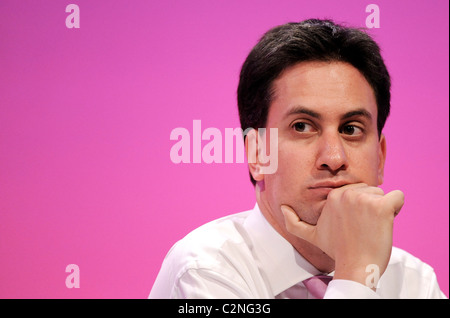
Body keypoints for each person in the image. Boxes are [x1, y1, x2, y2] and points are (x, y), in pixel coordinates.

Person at [149, 19, 446, 299]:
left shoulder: (413, 283)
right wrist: (357, 275)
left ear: (379, 158)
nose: (333, 158)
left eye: (351, 129)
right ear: (256, 153)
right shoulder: (205, 269)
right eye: (302, 126)